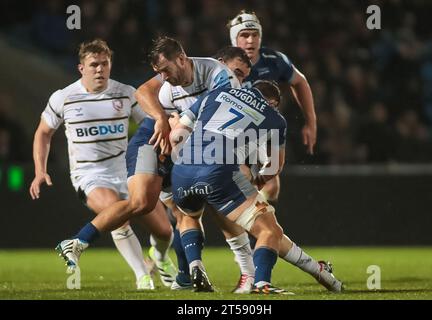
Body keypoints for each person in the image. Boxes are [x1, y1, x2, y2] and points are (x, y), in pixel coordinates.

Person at [54, 37, 244, 292]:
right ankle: (78, 241)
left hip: (181, 143)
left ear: (182, 58)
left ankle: (186, 277)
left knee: (183, 213)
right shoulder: (168, 83)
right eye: (159, 72)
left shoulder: (217, 75)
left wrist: (180, 124)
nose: (164, 77)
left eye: (166, 70)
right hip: (150, 140)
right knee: (141, 202)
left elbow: (217, 115)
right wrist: (161, 119)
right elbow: (142, 91)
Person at [169, 81, 342, 294]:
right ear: (274, 104)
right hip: (219, 172)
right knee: (269, 230)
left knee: (189, 217)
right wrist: (258, 180)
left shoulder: (217, 93)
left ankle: (195, 266)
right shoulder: (275, 118)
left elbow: (176, 136)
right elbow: (275, 166)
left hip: (181, 170)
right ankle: (261, 284)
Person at [30, 39, 173, 290]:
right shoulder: (64, 97)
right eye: (93, 64)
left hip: (127, 171)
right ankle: (143, 276)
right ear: (81, 68)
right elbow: (43, 133)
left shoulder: (126, 93)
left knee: (164, 231)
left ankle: (159, 259)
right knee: (119, 216)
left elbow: (150, 124)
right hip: (90, 174)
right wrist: (40, 171)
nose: (99, 69)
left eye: (104, 64)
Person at [227, 10, 318, 203]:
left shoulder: (274, 60)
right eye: (244, 35)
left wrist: (311, 122)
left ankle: (254, 223)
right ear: (234, 38)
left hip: (265, 133)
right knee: (247, 183)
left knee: (271, 187)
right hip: (231, 134)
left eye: (255, 35)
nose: (250, 40)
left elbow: (300, 82)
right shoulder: (222, 65)